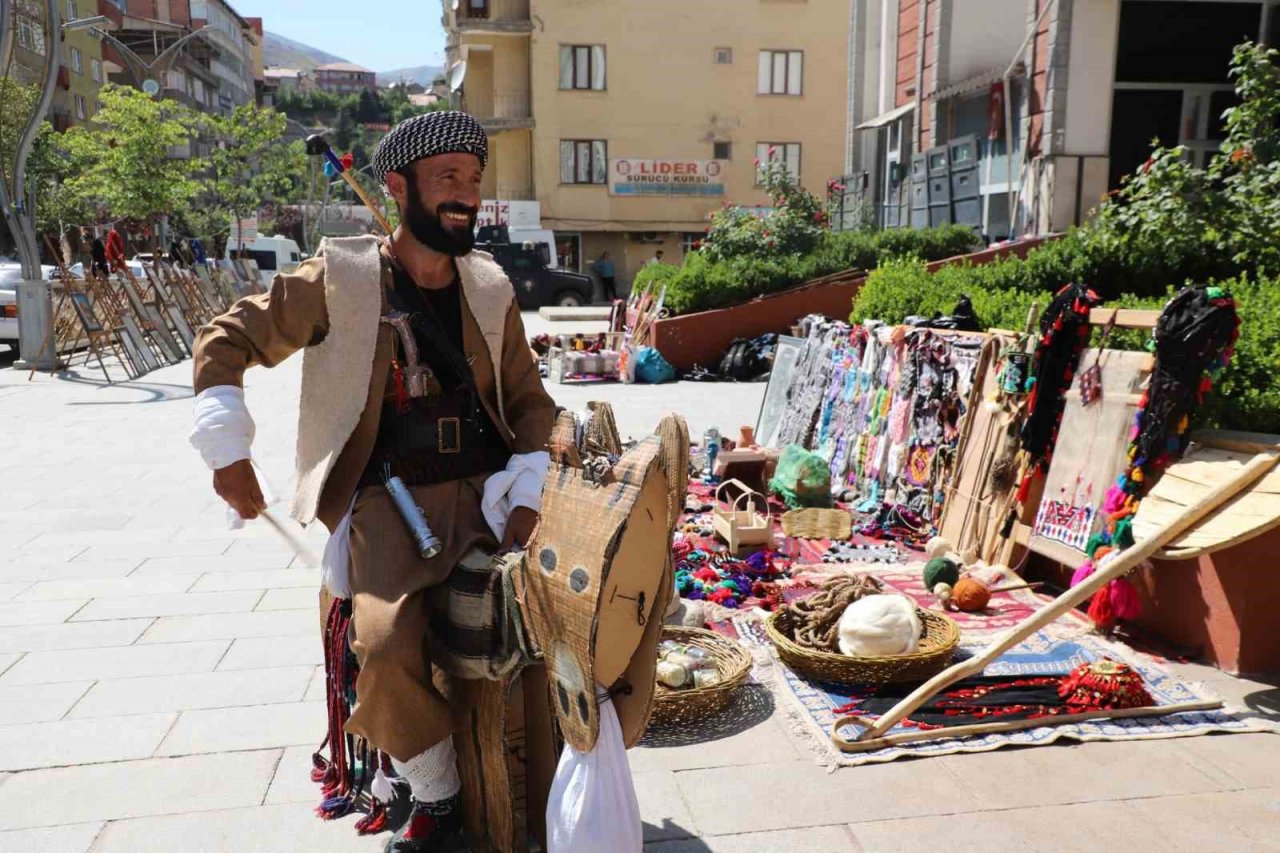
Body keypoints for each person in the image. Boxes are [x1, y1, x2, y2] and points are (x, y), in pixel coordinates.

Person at [188, 111, 556, 853]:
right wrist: (227, 446)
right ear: (399, 186)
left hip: (487, 499)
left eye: (474, 180)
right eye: (447, 178)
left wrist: (527, 492)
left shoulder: (487, 284)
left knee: (556, 631)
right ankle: (440, 796)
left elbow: (529, 401)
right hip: (391, 507)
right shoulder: (343, 276)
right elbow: (225, 337)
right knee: (384, 649)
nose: (465, 196)